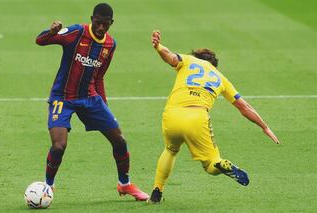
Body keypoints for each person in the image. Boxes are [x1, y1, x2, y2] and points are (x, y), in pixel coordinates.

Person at [147, 30, 280, 204]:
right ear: (214, 65)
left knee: (170, 150)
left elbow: (170, 57)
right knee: (210, 165)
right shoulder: (220, 77)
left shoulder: (189, 60)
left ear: (197, 57)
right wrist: (264, 126)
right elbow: (244, 107)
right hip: (197, 117)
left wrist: (158, 46)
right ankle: (220, 163)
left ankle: (157, 192)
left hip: (172, 114)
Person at [35, 3, 149, 201]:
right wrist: (51, 31)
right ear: (92, 19)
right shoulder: (76, 32)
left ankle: (125, 184)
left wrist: (103, 105)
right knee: (58, 146)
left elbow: (99, 78)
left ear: (111, 23)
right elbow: (40, 41)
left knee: (119, 140)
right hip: (63, 98)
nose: (101, 28)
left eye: (105, 24)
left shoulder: (110, 45)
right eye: (98, 23)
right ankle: (48, 187)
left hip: (90, 98)